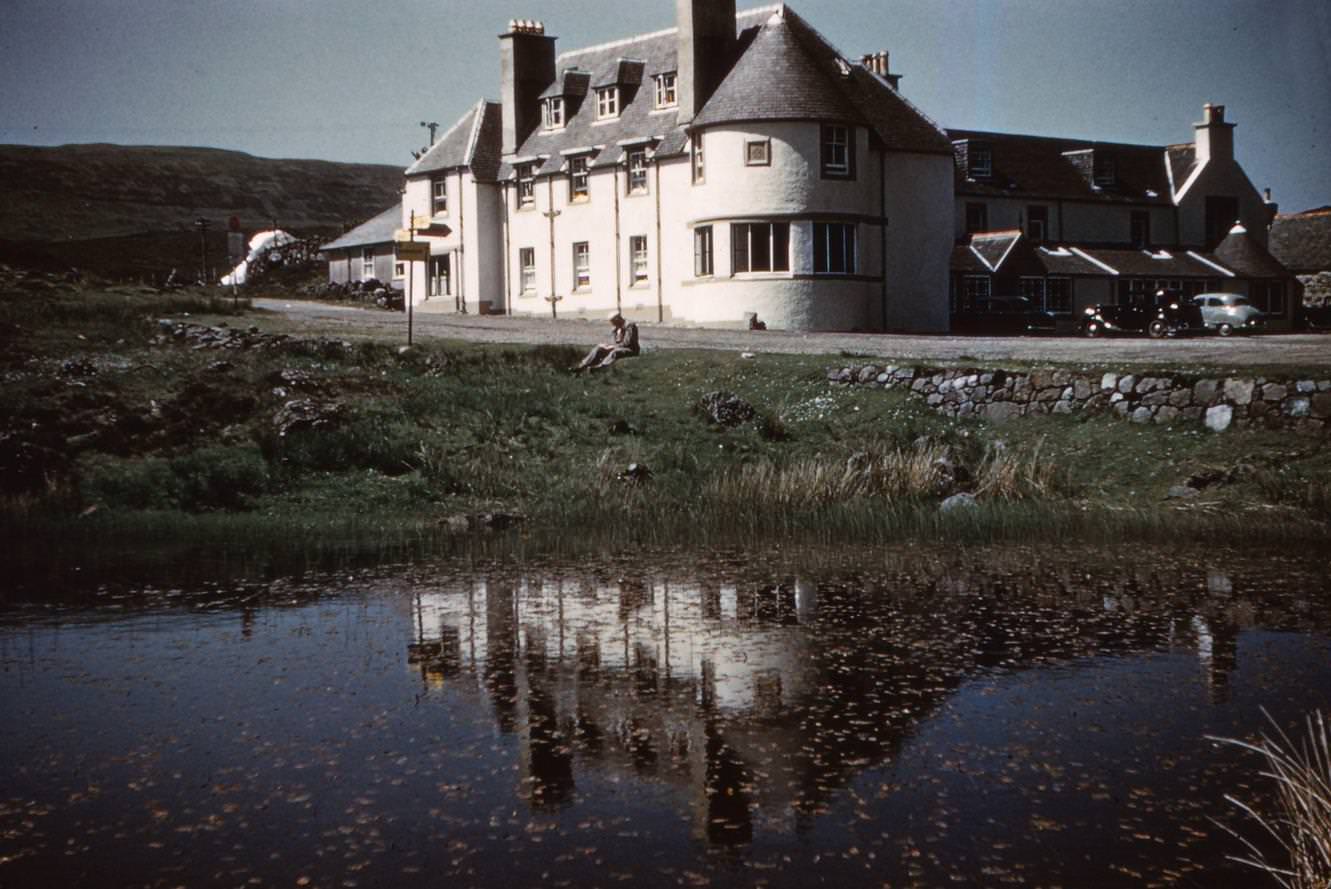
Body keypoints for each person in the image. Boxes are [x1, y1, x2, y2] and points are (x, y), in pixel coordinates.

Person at [575, 312, 639, 370]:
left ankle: (601, 367)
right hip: (619, 347)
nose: (613, 324)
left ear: (617, 319)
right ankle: (582, 366)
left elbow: (628, 342)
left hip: (631, 349)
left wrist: (613, 347)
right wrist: (607, 345)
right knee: (599, 349)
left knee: (615, 352)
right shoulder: (617, 328)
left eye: (613, 322)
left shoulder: (630, 326)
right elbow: (616, 342)